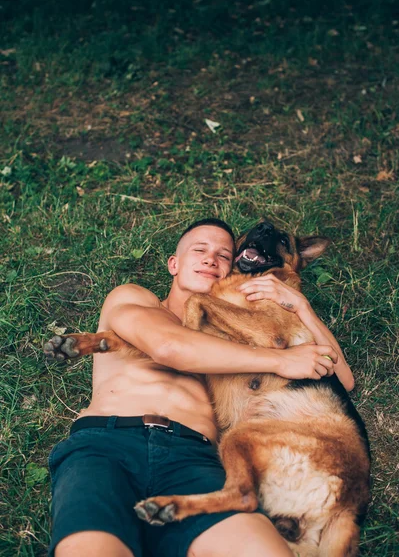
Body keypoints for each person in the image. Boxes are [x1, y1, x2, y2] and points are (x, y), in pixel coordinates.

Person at [48, 218, 354, 557]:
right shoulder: (134, 297)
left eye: (224, 255)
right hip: (107, 445)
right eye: (199, 250)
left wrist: (300, 305)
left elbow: (341, 379)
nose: (211, 259)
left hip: (196, 459)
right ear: (174, 264)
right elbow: (169, 348)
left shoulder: (234, 337)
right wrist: (280, 360)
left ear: (234, 269)